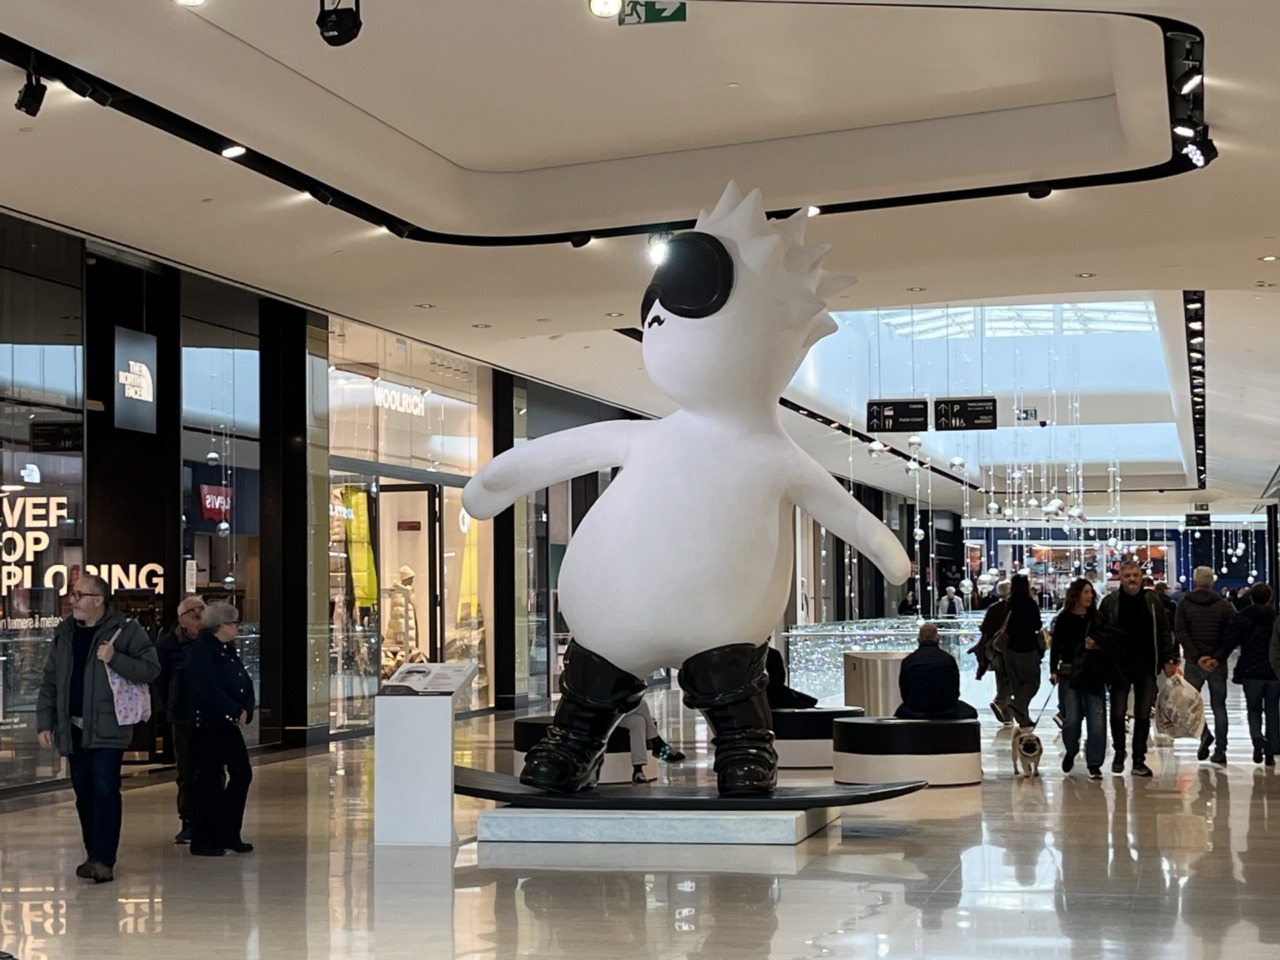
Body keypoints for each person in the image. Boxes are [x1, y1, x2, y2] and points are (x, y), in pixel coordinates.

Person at [35, 575, 160, 884]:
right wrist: (45, 722)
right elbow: (50, 681)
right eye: (73, 594)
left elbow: (151, 669)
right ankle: (94, 854)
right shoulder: (65, 633)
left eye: (79, 594)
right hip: (73, 727)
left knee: (104, 789)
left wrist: (115, 658)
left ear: (99, 600)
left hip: (108, 726)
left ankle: (104, 859)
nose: (72, 600)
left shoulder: (126, 631)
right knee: (84, 793)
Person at [185, 601, 256, 857]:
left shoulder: (227, 649)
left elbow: (242, 679)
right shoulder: (202, 650)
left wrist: (246, 708)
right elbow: (206, 688)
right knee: (209, 780)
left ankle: (228, 831)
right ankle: (204, 837)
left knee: (242, 773)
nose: (238, 627)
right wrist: (233, 711)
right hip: (209, 725)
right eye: (234, 623)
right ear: (221, 625)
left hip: (227, 724)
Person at [1099, 560, 1177, 777]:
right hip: (1118, 666)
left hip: (1146, 664)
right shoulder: (1110, 602)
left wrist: (1169, 658)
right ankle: (1119, 750)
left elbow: (1164, 629)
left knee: (1143, 714)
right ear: (1120, 579)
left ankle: (1139, 759)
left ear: (1141, 577)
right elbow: (1100, 631)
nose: (1131, 579)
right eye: (1127, 576)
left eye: (1135, 575)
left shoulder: (1152, 600)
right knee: (1117, 712)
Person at [155, 593, 205, 844]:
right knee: (186, 771)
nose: (200, 618)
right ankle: (188, 821)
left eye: (203, 612)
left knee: (213, 769)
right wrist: (171, 706)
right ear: (182, 619)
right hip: (183, 717)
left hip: (210, 716)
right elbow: (160, 680)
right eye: (195, 614)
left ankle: (212, 819)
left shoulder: (212, 641)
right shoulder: (168, 645)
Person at [1175, 566, 1236, 765]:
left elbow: (1181, 632)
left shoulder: (1185, 605)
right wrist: (1217, 657)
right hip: (1217, 664)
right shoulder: (1224, 605)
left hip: (1194, 663)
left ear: (1194, 582)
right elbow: (1232, 634)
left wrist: (1197, 656)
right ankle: (1221, 750)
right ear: (1212, 583)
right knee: (1219, 706)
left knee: (1188, 704)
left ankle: (1204, 733)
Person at [1050, 579, 1109, 778]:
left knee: (1097, 722)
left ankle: (1094, 763)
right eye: (1086, 592)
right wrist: (1053, 670)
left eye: (1091, 592)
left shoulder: (1097, 619)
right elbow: (1056, 646)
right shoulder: (1064, 618)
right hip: (1070, 674)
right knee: (1071, 719)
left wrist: (1097, 645)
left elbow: (1108, 642)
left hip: (1093, 674)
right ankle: (1071, 749)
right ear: (1076, 594)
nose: (1090, 596)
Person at [1217, 583, 1278, 765]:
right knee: (1272, 710)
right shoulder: (1276, 618)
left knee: (1253, 710)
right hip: (1274, 672)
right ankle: (1271, 750)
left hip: (1250, 671)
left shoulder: (1243, 618)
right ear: (1269, 598)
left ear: (1250, 597)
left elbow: (1230, 641)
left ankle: (1257, 737)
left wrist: (1217, 658)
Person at [894, 622, 977, 719]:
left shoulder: (908, 661)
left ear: (918, 640)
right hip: (945, 707)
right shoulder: (948, 659)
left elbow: (904, 691)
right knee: (971, 712)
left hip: (916, 707)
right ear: (938, 639)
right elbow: (955, 690)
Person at [992, 575, 1044, 728]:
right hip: (1026, 648)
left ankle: (1023, 719)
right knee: (1032, 682)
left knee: (1017, 685)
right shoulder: (1029, 604)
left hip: (1009, 649)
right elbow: (1037, 624)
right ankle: (1017, 706)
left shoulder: (1008, 604)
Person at [617, 697, 686, 784]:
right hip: (604, 711)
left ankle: (638, 771)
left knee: (638, 721)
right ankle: (656, 742)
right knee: (640, 703)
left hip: (615, 711)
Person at [972, 580, 1012, 722]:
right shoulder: (1013, 608)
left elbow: (985, 629)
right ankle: (1001, 703)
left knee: (1001, 679)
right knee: (1010, 679)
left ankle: (1007, 714)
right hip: (1010, 648)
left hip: (994, 649)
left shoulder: (993, 608)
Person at [764, 645, 818, 710]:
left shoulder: (769, 653)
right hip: (776, 696)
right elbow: (779, 680)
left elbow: (779, 680)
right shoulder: (772, 653)